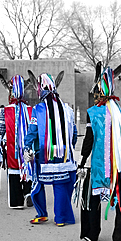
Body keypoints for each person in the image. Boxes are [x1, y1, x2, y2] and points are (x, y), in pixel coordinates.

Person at [78, 62, 121, 241]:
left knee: (91, 197)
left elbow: (89, 140)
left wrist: (82, 162)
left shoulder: (94, 112)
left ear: (99, 92)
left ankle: (92, 234)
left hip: (100, 166)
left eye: (95, 93)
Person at [24, 71, 77, 226]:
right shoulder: (68, 110)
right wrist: (68, 148)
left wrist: (27, 147)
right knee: (60, 184)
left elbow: (33, 131)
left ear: (40, 90)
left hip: (43, 154)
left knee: (38, 182)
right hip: (63, 155)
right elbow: (73, 132)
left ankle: (42, 214)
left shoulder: (38, 109)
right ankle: (61, 219)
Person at [0, 74, 33, 209]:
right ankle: (28, 192)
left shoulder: (5, 111)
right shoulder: (30, 110)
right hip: (27, 147)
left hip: (11, 147)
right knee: (28, 166)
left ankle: (17, 201)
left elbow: (1, 130)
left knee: (14, 169)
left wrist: (0, 141)